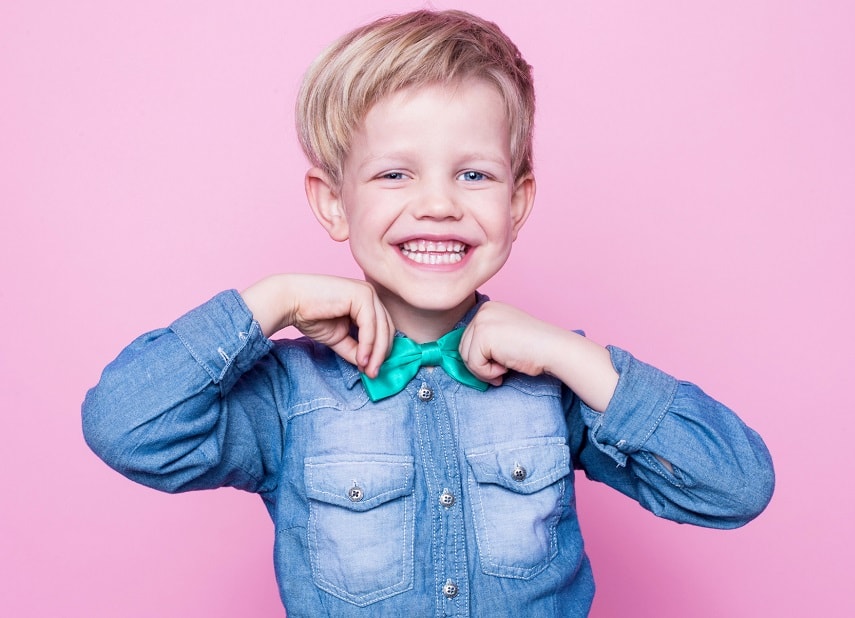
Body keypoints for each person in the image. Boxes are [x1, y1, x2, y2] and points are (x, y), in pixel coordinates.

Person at [82, 9, 774, 617]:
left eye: (473, 174)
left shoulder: (558, 384)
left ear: (518, 202)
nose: (439, 204)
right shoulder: (286, 398)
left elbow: (734, 487)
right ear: (332, 202)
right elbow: (126, 428)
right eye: (395, 173)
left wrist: (570, 353)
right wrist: (275, 301)